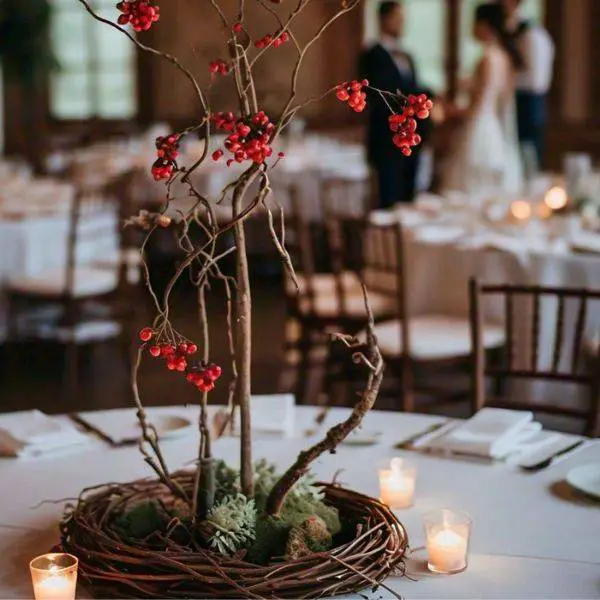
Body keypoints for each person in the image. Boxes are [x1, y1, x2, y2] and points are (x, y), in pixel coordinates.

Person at [440, 2, 523, 199]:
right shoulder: (505, 58)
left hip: (479, 129)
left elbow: (476, 107)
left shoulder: (487, 58)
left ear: (485, 25)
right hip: (494, 127)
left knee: (468, 189)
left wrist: (448, 110)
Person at [359, 1, 428, 208]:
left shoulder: (407, 55)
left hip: (411, 138)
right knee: (387, 200)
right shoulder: (371, 54)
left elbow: (414, 88)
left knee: (409, 198)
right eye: (397, 18)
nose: (402, 23)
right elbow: (376, 93)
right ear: (383, 19)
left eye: (403, 19)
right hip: (385, 138)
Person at [501, 0, 555, 169]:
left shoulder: (530, 34)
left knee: (527, 146)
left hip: (528, 98)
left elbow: (534, 78)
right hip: (528, 97)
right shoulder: (529, 32)